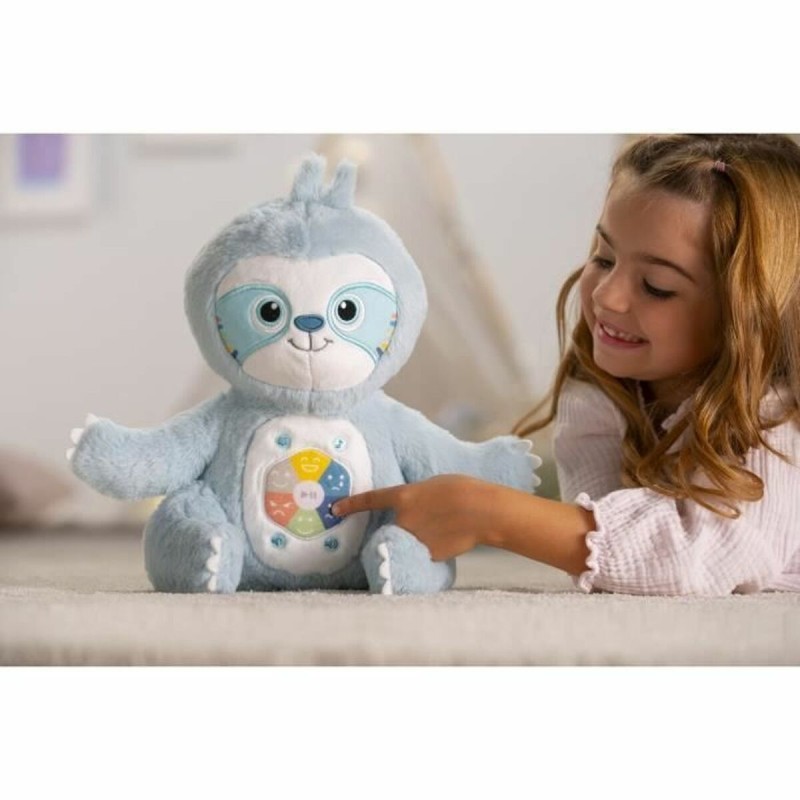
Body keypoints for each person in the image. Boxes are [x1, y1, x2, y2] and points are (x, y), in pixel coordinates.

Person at [332, 134, 800, 596]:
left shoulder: (775, 427)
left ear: (748, 315)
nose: (606, 296)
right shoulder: (600, 393)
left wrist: (486, 511)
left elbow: (701, 555)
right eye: (604, 258)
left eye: (656, 286)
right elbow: (605, 538)